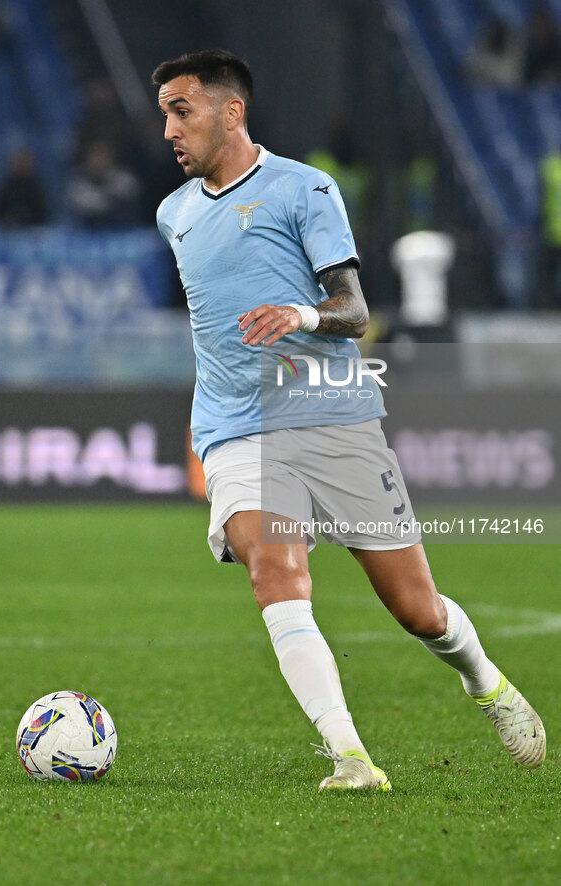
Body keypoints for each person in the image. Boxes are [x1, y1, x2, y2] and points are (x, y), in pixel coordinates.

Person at [153, 49, 546, 791]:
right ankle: (351, 758)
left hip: (331, 415)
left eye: (182, 110)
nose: (169, 129)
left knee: (417, 610)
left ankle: (485, 682)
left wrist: (299, 312)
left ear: (230, 111)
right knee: (275, 571)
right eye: (165, 114)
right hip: (236, 427)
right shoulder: (173, 213)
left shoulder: (304, 188)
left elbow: (354, 309)